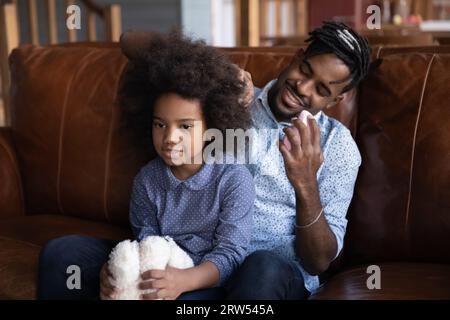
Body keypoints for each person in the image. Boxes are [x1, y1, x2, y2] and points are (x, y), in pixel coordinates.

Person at [37, 31, 255, 300]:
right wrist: (114, 271)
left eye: (185, 126)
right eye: (160, 124)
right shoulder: (147, 180)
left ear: (213, 126)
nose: (170, 138)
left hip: (205, 279)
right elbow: (145, 242)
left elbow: (231, 255)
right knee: (61, 253)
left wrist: (184, 281)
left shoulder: (233, 178)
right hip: (155, 267)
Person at [223, 21, 372, 299]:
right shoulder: (235, 100)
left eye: (322, 90)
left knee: (261, 267)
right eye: (305, 71)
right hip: (211, 264)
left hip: (273, 277)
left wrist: (305, 183)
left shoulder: (338, 146)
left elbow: (318, 261)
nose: (303, 88)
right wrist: (216, 69)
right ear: (296, 58)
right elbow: (131, 41)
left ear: (335, 100)